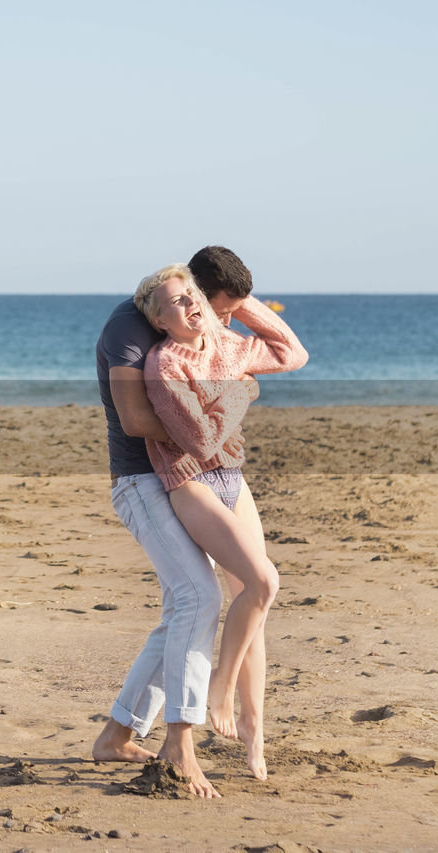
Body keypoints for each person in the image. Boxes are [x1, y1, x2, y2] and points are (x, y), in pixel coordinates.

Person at [90, 246, 257, 798]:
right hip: (141, 483)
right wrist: (208, 425)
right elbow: (137, 420)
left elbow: (275, 352)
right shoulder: (129, 331)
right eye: (214, 307)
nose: (216, 320)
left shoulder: (192, 329)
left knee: (182, 609)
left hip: (182, 479)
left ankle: (118, 734)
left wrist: (214, 414)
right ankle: (180, 740)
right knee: (199, 599)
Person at [133, 255, 308, 780]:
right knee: (263, 580)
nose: (189, 307)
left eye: (193, 297)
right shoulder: (165, 364)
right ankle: (220, 689)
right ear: (159, 320)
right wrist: (243, 389)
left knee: (256, 605)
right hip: (190, 483)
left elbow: (293, 353)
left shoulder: (228, 343)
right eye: (177, 303)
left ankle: (254, 737)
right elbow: (201, 440)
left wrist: (236, 300)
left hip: (234, 480)